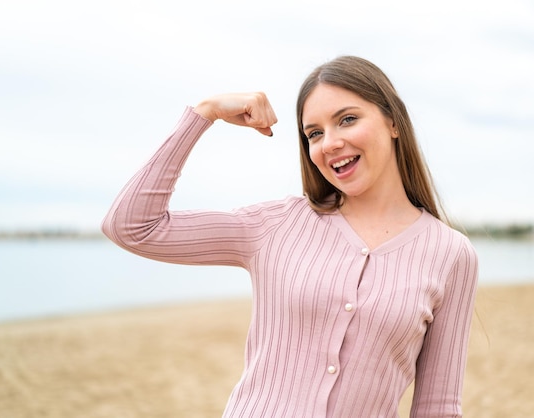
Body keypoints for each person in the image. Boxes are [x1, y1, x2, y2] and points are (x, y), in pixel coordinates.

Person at [102, 55, 479, 417]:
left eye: (347, 120)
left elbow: (438, 408)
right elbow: (132, 226)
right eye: (314, 133)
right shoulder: (277, 224)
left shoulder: (450, 254)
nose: (329, 143)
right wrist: (205, 113)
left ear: (393, 122)